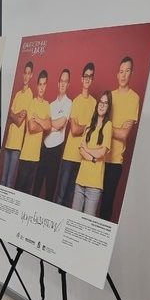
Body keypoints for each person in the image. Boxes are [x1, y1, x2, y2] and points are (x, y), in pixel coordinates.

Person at [100, 57, 139, 222]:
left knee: (106, 206)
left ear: (131, 74)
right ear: (117, 74)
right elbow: (99, 124)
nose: (123, 75)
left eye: (127, 71)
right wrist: (114, 128)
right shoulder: (110, 96)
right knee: (91, 203)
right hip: (99, 156)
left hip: (115, 162)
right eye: (121, 71)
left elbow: (124, 134)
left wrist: (107, 127)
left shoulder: (134, 98)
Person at [56, 63, 97, 207]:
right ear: (81, 78)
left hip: (83, 158)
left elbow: (93, 131)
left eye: (90, 76)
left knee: (70, 199)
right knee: (60, 196)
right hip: (69, 156)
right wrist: (87, 126)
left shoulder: (95, 103)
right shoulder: (75, 102)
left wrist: (83, 126)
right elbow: (74, 129)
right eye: (86, 75)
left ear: (92, 79)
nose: (87, 78)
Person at [33, 69, 72, 201]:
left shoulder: (69, 103)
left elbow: (60, 124)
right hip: (44, 147)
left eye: (65, 81)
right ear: (58, 83)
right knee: (37, 185)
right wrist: (49, 125)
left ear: (68, 84)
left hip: (56, 149)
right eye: (61, 81)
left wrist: (46, 123)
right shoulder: (50, 105)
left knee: (50, 188)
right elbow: (45, 127)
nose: (63, 84)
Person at [72, 91, 113, 216]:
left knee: (86, 223)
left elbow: (102, 152)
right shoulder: (90, 124)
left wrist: (88, 150)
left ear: (108, 107)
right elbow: (81, 150)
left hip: (94, 185)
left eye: (106, 103)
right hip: (80, 180)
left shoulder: (108, 125)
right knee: (73, 219)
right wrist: (93, 158)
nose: (102, 105)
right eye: (101, 102)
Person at [15, 70, 51, 194]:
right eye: (40, 84)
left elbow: (49, 126)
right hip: (25, 156)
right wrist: (44, 124)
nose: (42, 87)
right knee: (18, 192)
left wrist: (39, 120)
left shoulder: (47, 105)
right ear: (37, 86)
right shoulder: (31, 103)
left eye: (44, 84)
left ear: (46, 86)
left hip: (36, 158)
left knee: (27, 194)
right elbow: (31, 127)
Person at [0, 62, 33, 187]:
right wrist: (15, 114)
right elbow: (9, 114)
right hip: (9, 141)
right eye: (25, 73)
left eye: (29, 73)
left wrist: (14, 115)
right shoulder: (18, 94)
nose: (26, 76)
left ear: (31, 75)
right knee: (3, 180)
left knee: (9, 182)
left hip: (17, 145)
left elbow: (19, 122)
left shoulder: (30, 95)